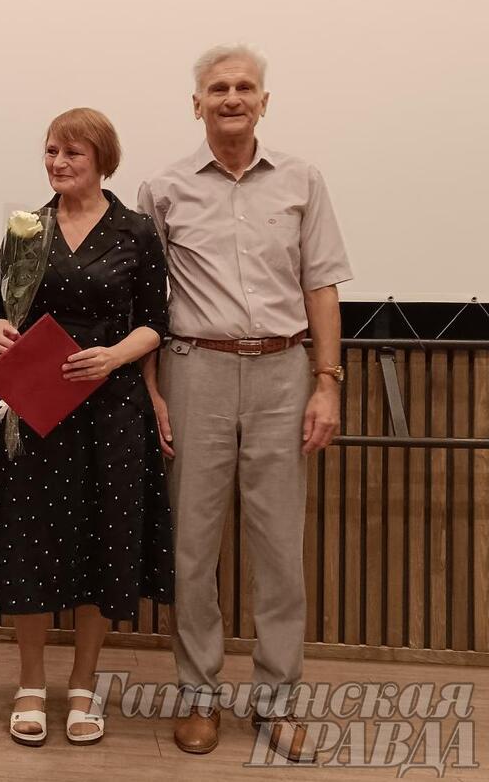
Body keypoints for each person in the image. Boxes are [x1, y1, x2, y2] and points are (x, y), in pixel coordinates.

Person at [137, 44, 352, 762]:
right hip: (195, 370)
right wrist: (154, 392)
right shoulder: (161, 189)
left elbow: (321, 285)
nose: (233, 97)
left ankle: (277, 703)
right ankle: (199, 697)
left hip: (283, 374)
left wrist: (327, 381)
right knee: (193, 550)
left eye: (246, 87)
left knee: (279, 550)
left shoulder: (301, 180)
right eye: (218, 88)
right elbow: (146, 303)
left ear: (265, 101)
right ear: (195, 103)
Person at [0, 107, 174, 747]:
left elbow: (156, 321)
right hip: (37, 409)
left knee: (103, 547)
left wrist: (116, 355)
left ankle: (85, 687)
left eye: (73, 154)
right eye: (51, 152)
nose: (59, 163)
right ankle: (30, 686)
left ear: (102, 160)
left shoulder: (137, 231)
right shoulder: (25, 231)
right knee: (30, 544)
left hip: (112, 410)